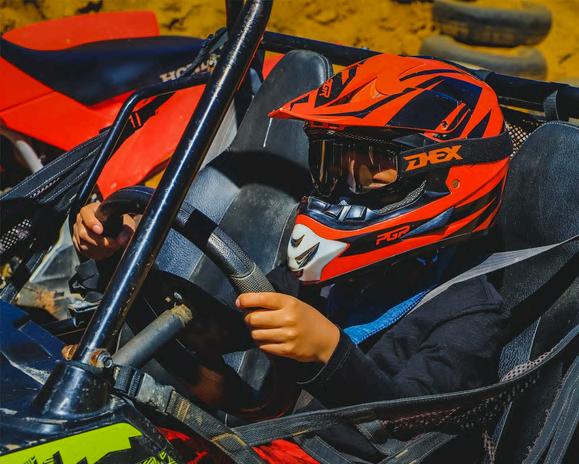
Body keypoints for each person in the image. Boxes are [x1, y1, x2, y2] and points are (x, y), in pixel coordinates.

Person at [72, 54, 513, 463]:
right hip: (258, 439)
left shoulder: (470, 314)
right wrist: (118, 257)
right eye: (333, 163)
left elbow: (415, 436)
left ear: (446, 174)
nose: (342, 189)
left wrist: (331, 354)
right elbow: (217, 328)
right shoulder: (337, 272)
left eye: (370, 166)